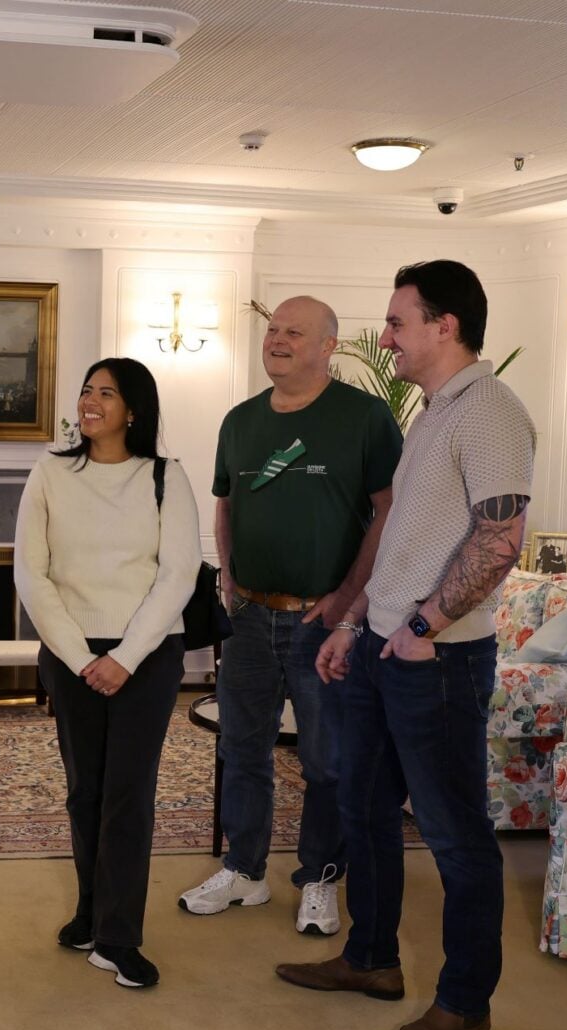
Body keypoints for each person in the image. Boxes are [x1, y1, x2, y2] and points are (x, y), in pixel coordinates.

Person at [275, 261, 535, 1030]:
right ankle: (372, 960)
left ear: (444, 324)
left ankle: (464, 1006)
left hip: (439, 660)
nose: (384, 340)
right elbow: (402, 537)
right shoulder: (431, 414)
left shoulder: (489, 411)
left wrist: (425, 623)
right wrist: (354, 622)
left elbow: (501, 537)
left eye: (396, 323)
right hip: (386, 649)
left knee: (457, 838)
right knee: (364, 809)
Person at [180, 297, 401, 935]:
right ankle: (244, 872)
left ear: (329, 345)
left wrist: (347, 600)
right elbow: (226, 506)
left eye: (293, 332)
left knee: (327, 760)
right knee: (241, 747)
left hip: (323, 625)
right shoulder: (240, 421)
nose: (276, 339)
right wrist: (227, 573)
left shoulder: (365, 417)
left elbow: (389, 511)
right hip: (248, 618)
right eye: (272, 329)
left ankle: (319, 878)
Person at [15, 357, 200, 989]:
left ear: (134, 410)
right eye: (86, 389)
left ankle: (118, 938)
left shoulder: (166, 478)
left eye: (107, 393)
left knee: (127, 795)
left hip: (146, 657)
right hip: (71, 655)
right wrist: (79, 655)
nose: (91, 401)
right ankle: (91, 912)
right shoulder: (49, 472)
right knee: (84, 789)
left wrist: (123, 657)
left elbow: (178, 574)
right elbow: (30, 575)